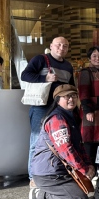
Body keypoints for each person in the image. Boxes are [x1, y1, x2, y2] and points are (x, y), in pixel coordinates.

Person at [29, 84, 94, 199]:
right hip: (49, 174)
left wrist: (88, 165)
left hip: (61, 171)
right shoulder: (57, 119)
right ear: (58, 100)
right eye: (67, 96)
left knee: (86, 195)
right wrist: (84, 169)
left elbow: (79, 145)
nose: (71, 99)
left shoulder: (71, 116)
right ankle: (39, 198)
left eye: (74, 96)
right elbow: (66, 149)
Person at [21, 36, 75, 182]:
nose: (61, 48)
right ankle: (33, 178)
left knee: (59, 141)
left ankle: (51, 173)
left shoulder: (68, 66)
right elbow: (25, 75)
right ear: (51, 46)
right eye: (58, 45)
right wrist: (45, 78)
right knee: (36, 142)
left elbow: (70, 87)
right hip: (41, 107)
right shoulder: (40, 59)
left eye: (65, 46)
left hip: (60, 110)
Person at [77, 46, 99, 162]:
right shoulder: (85, 72)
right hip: (92, 110)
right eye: (94, 56)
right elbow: (83, 93)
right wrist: (87, 110)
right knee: (89, 138)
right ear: (89, 58)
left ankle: (98, 165)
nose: (97, 58)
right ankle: (88, 165)